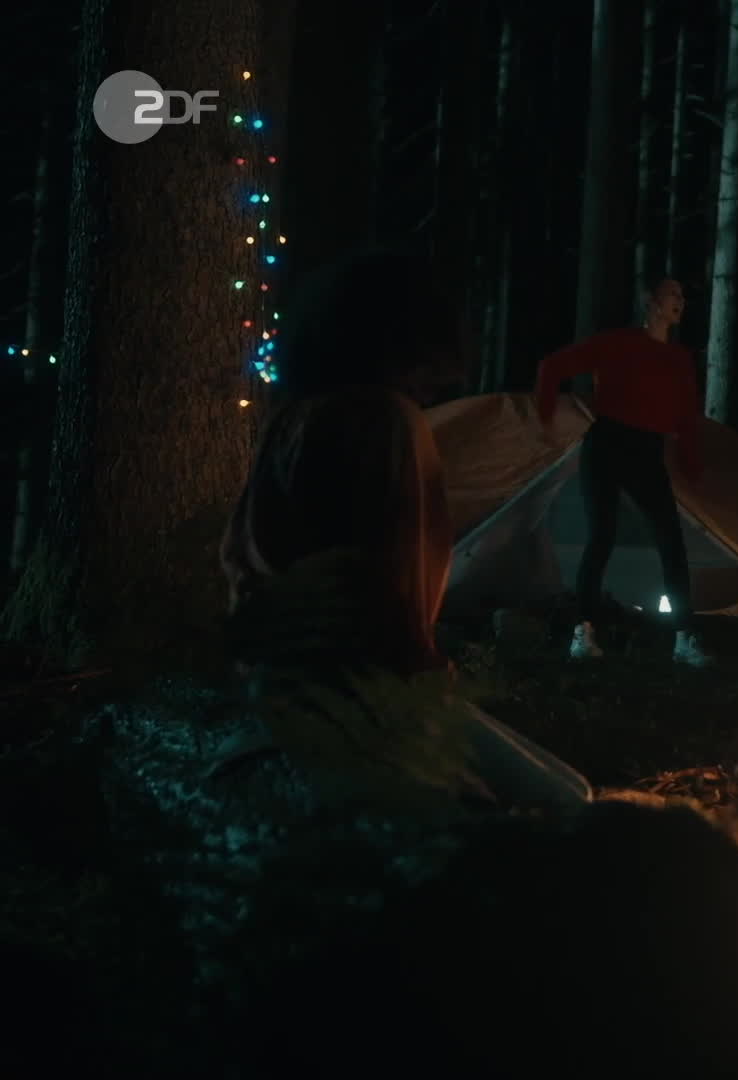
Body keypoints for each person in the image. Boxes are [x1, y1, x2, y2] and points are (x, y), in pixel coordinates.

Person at [219, 250, 591, 817]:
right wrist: (424, 690)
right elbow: (390, 580)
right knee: (562, 805)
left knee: (555, 792)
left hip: (282, 684)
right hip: (363, 697)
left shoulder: (295, 416)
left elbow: (242, 557)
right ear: (406, 337)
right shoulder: (385, 422)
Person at [533, 277, 711, 668]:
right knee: (602, 535)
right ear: (651, 301)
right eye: (672, 294)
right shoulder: (617, 343)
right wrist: (544, 421)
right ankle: (583, 633)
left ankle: (684, 638)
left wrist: (692, 468)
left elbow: (686, 419)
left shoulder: (679, 359)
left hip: (647, 450)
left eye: (682, 296)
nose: (680, 301)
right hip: (608, 443)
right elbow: (552, 367)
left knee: (670, 540)